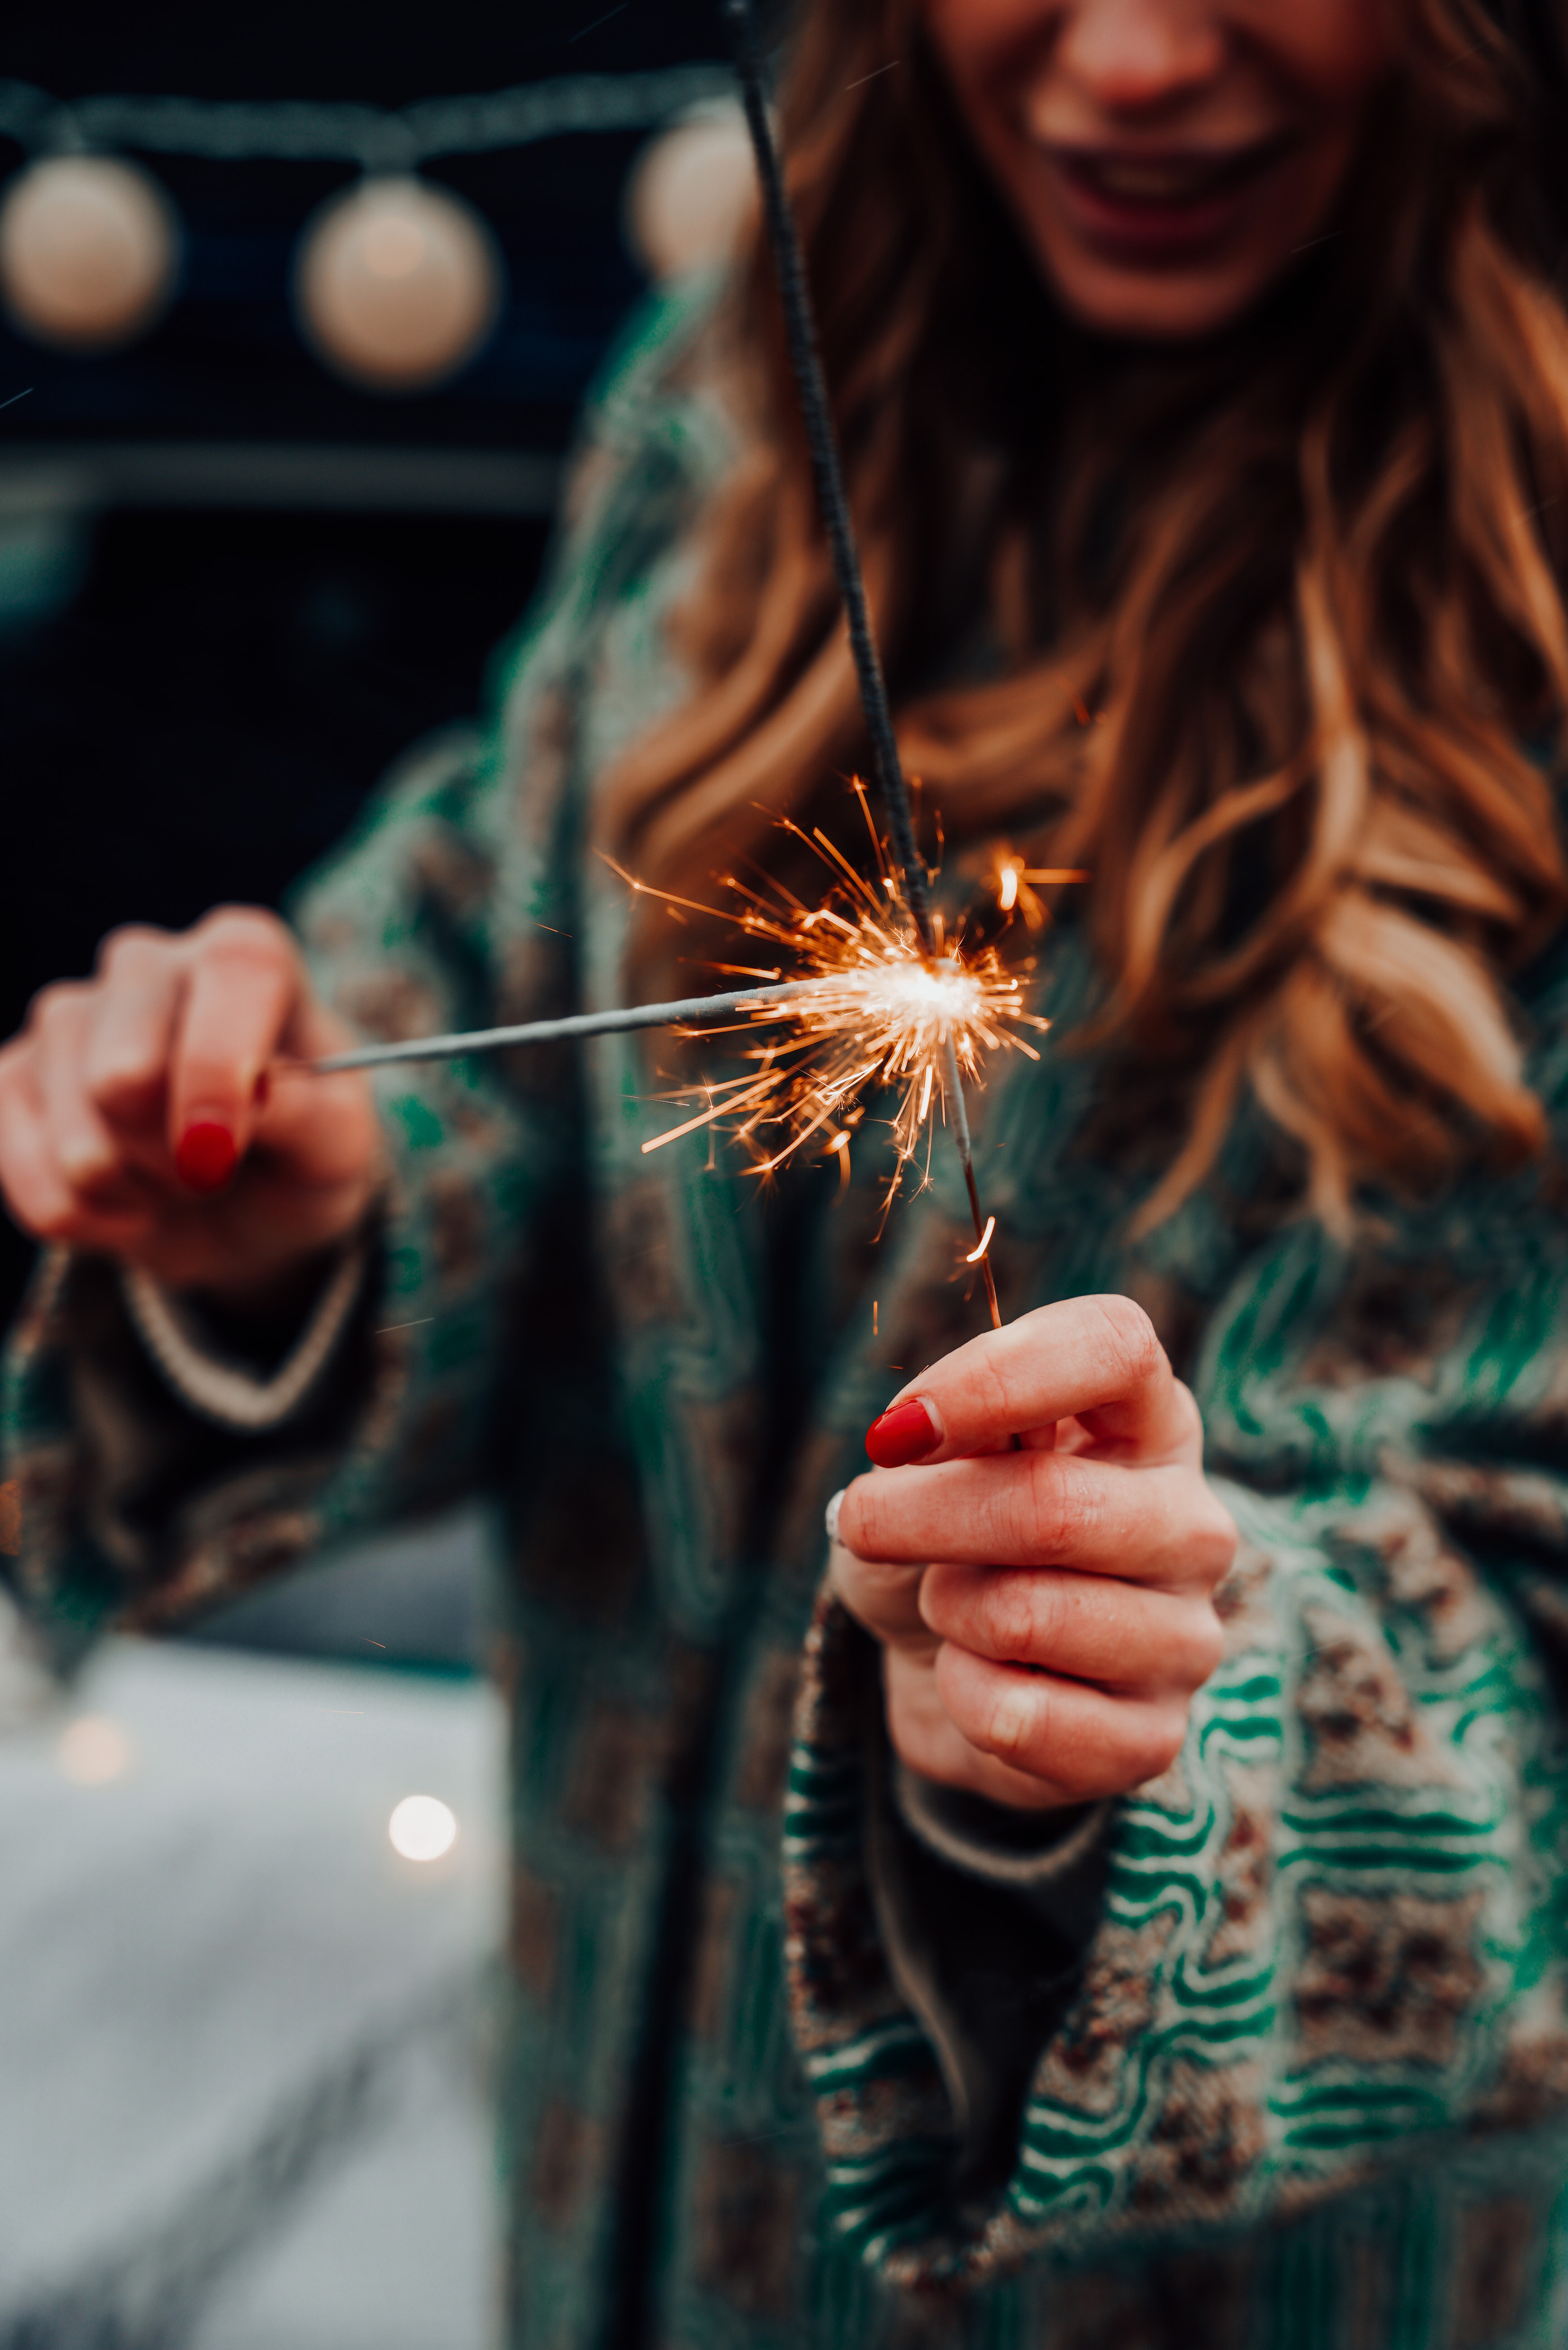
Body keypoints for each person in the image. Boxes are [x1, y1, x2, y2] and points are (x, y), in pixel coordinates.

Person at [4, 0, 1568, 2341]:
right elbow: (486, 975)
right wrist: (311, 1209)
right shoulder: (742, 404)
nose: (1128, 60)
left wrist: (1118, 1742)